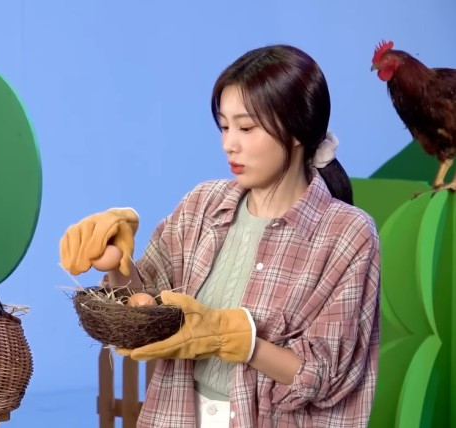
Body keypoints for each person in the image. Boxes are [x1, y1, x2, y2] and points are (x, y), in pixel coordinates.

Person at [60, 44, 380, 427]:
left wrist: (238, 340)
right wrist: (118, 264)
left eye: (246, 127)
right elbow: (146, 306)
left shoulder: (348, 234)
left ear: (297, 130)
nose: (229, 144)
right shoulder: (201, 204)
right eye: (225, 127)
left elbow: (327, 377)